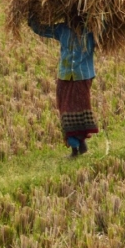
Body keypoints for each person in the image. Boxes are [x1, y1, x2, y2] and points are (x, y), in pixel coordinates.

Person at [28, 16, 99, 157]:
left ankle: (79, 144)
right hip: (64, 76)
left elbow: (108, 29)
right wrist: (31, 17)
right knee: (65, 111)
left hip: (82, 76)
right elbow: (41, 29)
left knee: (81, 110)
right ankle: (76, 146)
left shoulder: (91, 31)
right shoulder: (62, 29)